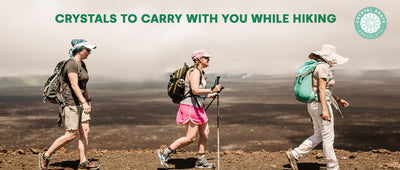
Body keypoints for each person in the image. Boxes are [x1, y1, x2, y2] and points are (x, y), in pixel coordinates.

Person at [286, 44, 350, 170]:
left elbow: (323, 89)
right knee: (328, 137)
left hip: (313, 104)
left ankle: (295, 154)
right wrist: (325, 109)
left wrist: (337, 99)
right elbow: (321, 88)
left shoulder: (317, 66)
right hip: (321, 105)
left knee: (319, 135)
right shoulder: (323, 68)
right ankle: (333, 167)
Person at [39, 39, 100, 170]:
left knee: (85, 132)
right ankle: (46, 155)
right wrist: (84, 102)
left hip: (82, 102)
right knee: (71, 135)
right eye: (87, 50)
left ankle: (83, 161)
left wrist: (88, 100)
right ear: (80, 50)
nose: (89, 52)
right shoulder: (71, 64)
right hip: (71, 103)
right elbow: (74, 85)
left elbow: (84, 84)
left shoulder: (82, 64)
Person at [157, 50, 222, 169]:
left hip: (197, 107)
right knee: (190, 137)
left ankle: (201, 161)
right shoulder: (195, 72)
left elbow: (196, 93)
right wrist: (212, 90)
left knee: (205, 133)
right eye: (206, 57)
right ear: (199, 59)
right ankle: (165, 152)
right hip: (190, 107)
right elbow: (195, 90)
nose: (208, 59)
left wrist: (209, 95)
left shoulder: (200, 72)